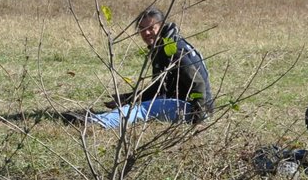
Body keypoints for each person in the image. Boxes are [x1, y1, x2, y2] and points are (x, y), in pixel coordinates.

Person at [85, 7, 213, 129]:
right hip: (187, 105)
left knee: (141, 110)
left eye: (151, 28)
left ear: (161, 26)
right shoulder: (165, 44)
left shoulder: (173, 49)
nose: (146, 33)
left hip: (193, 109)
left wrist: (198, 119)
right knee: (140, 106)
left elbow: (198, 83)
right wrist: (128, 99)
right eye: (142, 28)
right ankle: (99, 118)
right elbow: (159, 87)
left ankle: (96, 122)